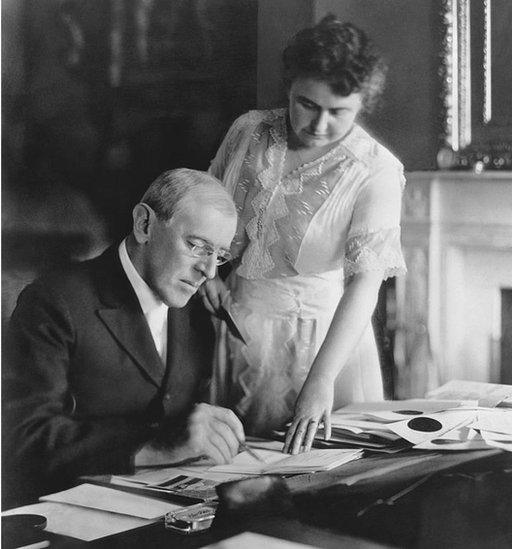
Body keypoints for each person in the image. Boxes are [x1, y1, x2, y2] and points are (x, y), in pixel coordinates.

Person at [202, 16, 407, 453]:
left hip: (321, 341)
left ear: (362, 104)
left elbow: (364, 283)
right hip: (236, 327)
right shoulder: (249, 131)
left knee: (315, 476)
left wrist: (321, 381)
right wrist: (210, 275)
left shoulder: (375, 171)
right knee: (229, 472)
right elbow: (204, 212)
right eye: (307, 104)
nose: (318, 124)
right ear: (289, 87)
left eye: (339, 112)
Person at [3, 168, 245, 506]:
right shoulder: (56, 301)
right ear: (144, 225)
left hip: (168, 511)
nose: (209, 271)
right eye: (197, 246)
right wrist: (161, 445)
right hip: (70, 514)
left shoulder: (196, 309)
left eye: (219, 255)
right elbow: (24, 439)